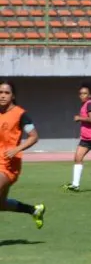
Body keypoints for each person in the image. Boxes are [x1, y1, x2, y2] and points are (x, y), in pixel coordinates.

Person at [0, 80, 46, 229]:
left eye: (7, 93)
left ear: (13, 96)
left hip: (9, 164)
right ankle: (33, 210)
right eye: (0, 92)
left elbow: (34, 136)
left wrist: (17, 149)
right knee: (1, 204)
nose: (2, 96)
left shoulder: (21, 114)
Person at [64, 82, 91, 192]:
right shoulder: (85, 105)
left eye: (85, 93)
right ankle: (75, 185)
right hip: (86, 139)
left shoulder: (89, 104)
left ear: (89, 95)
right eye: (80, 93)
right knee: (77, 158)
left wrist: (79, 118)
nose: (82, 95)